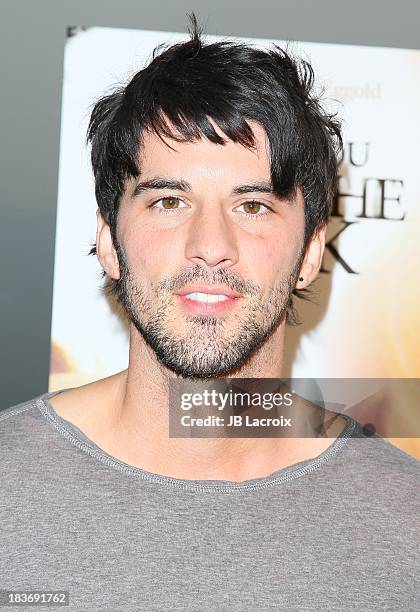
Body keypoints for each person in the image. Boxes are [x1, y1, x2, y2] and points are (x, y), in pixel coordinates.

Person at [1, 16, 418, 612]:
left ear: (308, 254)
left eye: (252, 206)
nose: (210, 243)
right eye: (170, 201)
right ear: (110, 242)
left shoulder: (406, 526)